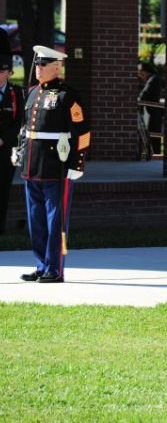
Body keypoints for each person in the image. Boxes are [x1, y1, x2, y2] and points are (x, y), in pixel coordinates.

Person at [17, 46, 90, 283]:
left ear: (57, 67)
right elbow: (26, 129)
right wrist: (20, 153)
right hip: (32, 166)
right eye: (37, 64)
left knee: (55, 221)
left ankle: (55, 269)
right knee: (36, 220)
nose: (38, 69)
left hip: (56, 167)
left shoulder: (67, 95)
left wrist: (77, 164)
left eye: (43, 65)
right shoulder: (32, 93)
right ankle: (41, 265)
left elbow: (82, 132)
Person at [0, 53, 23, 234]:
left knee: (3, 189)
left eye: (2, 71)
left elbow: (19, 121)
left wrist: (4, 139)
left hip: (6, 149)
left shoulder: (16, 93)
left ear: (9, 73)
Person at [137, 62, 163, 156]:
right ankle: (152, 153)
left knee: (152, 135)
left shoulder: (153, 79)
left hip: (152, 112)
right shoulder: (152, 79)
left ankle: (154, 154)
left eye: (140, 72)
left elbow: (144, 95)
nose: (139, 75)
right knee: (152, 135)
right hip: (151, 111)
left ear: (145, 71)